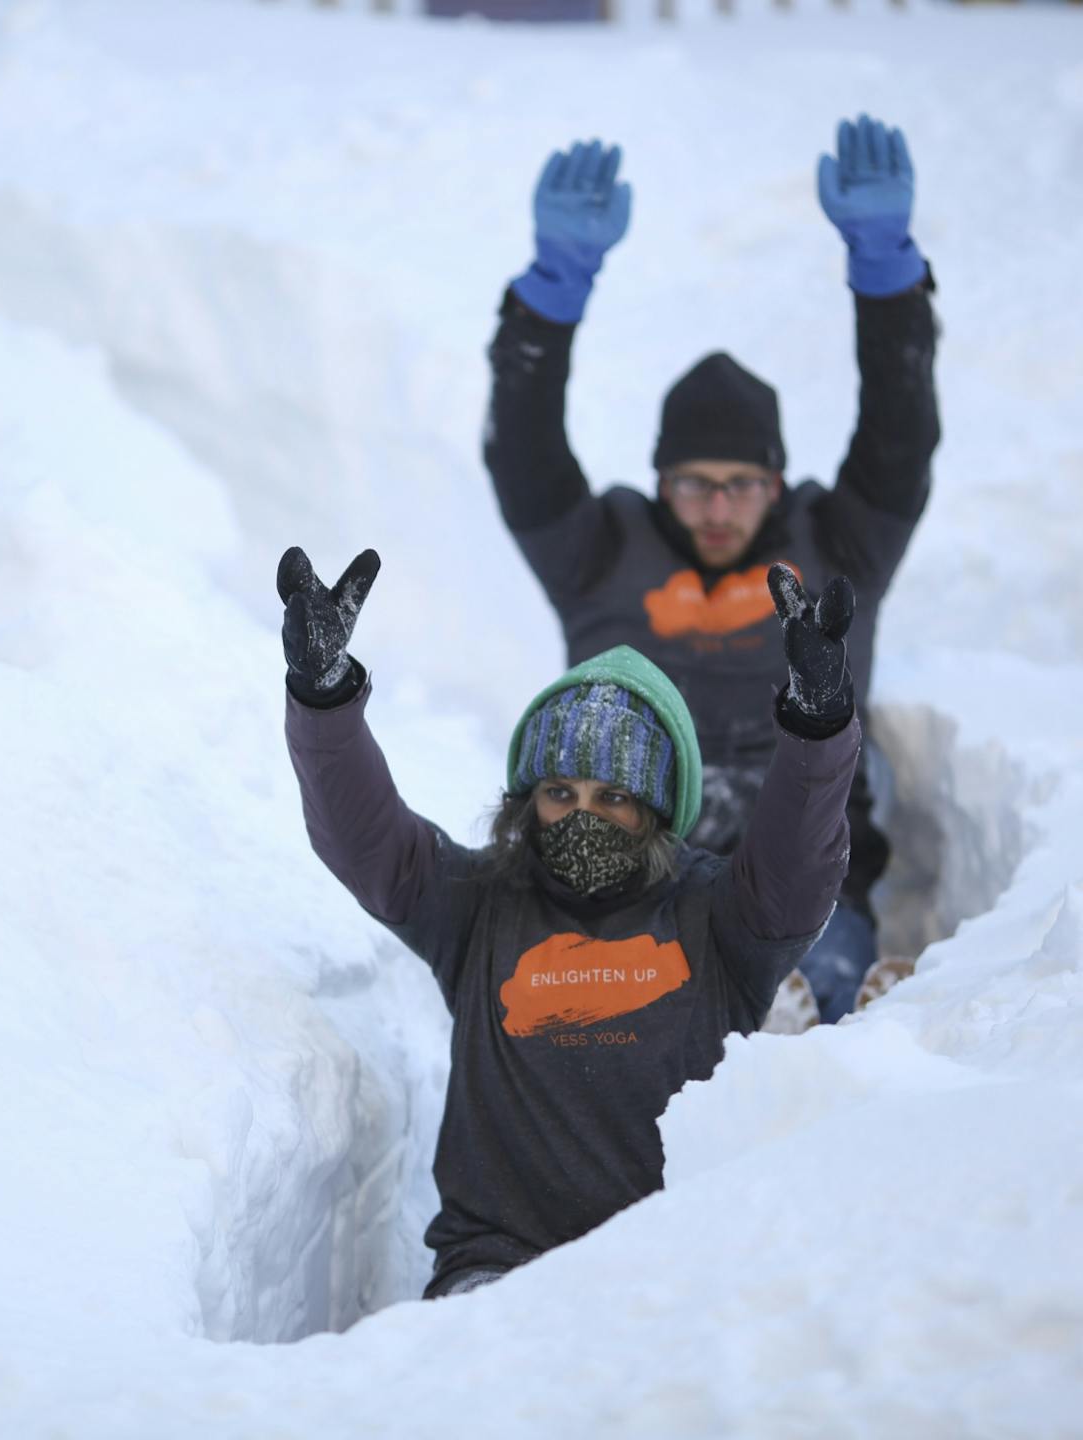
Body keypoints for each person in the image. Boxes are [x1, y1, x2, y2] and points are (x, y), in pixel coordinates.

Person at [277, 543, 862, 1299]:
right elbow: (364, 837)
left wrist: (818, 729)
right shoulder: (478, 900)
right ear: (528, 803)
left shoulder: (719, 912)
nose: (583, 816)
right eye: (561, 793)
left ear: (655, 812)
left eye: (613, 797)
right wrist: (323, 699)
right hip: (497, 1266)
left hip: (677, 1265)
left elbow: (798, 864)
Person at [483, 117, 941, 1025]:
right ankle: (750, 1020)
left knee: (820, 959)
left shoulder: (837, 542)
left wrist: (886, 275)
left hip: (809, 873)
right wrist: (550, 296)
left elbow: (900, 436)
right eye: (694, 484)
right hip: (625, 875)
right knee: (632, 1006)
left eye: (742, 485)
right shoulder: (601, 550)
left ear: (776, 480)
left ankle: (833, 1016)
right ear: (661, 481)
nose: (720, 508)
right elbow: (524, 456)